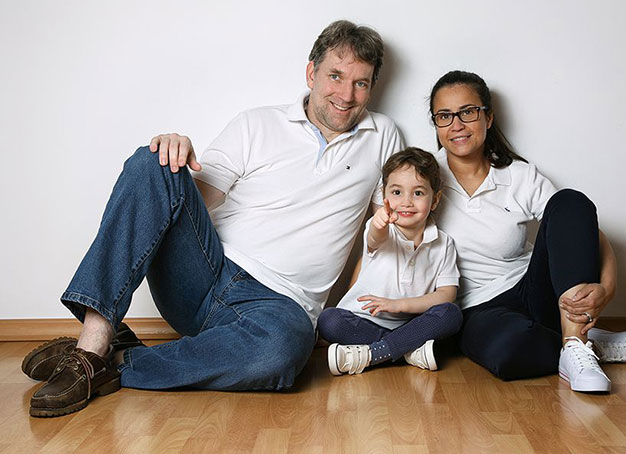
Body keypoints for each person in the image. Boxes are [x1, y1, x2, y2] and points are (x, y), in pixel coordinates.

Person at [23, 20, 403, 418]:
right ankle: (93, 343)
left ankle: (115, 363)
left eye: (360, 83)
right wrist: (174, 159)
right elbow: (189, 203)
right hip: (204, 274)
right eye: (336, 76)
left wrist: (347, 312)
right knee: (154, 161)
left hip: (280, 306)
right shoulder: (257, 123)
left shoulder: (383, 136)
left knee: (284, 352)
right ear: (312, 73)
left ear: (373, 87)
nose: (346, 94)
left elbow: (379, 233)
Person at [427, 70, 626, 392]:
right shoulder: (422, 178)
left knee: (570, 201)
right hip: (477, 309)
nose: (457, 125)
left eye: (468, 112)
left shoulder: (519, 175)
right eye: (444, 116)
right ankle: (586, 343)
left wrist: (606, 290)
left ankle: (575, 345)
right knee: (511, 354)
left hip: (536, 291)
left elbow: (581, 226)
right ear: (436, 124)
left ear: (489, 117)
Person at [317, 147, 462, 375]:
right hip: (364, 320)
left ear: (435, 199)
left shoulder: (444, 244)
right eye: (396, 192)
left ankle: (373, 354)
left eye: (418, 193)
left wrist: (398, 306)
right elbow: (375, 238)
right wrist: (378, 224)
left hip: (412, 324)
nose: (406, 202)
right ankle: (408, 351)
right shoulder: (381, 229)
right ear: (384, 196)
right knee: (329, 321)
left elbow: (446, 294)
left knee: (451, 314)